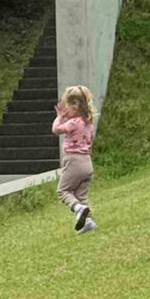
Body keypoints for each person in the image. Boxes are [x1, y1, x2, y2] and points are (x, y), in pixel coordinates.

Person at [52, 85, 97, 234]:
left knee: (63, 191)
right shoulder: (88, 123)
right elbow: (90, 142)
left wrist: (59, 116)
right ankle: (88, 222)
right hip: (87, 162)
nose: (66, 111)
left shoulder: (73, 123)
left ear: (75, 106)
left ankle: (78, 208)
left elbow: (55, 130)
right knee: (80, 196)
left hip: (74, 161)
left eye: (67, 107)